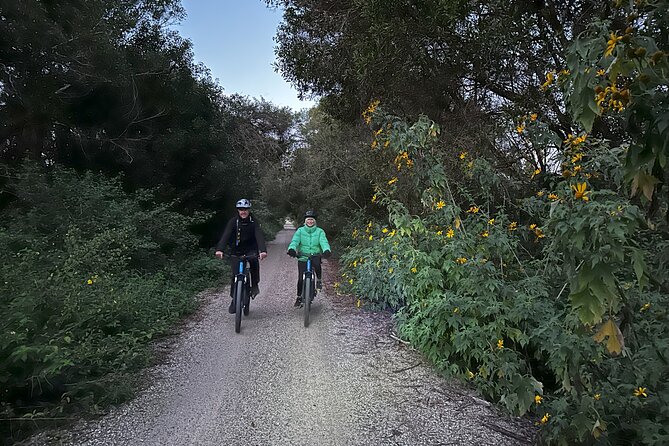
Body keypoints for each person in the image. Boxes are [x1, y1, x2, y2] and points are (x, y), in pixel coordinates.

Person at [215, 198, 268, 314]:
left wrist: (262, 250)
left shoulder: (254, 222)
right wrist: (220, 249)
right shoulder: (233, 222)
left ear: (249, 210)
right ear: (238, 210)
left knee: (254, 267)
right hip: (236, 251)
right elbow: (226, 235)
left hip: (251, 250)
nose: (243, 212)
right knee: (235, 275)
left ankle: (254, 285)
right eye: (241, 210)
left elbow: (259, 235)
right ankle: (235, 299)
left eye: (245, 209)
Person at [286, 210, 331, 307]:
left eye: (312, 220)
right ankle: (299, 296)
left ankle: (318, 280)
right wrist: (292, 249)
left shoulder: (320, 231)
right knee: (300, 279)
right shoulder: (300, 231)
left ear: (314, 221)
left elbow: (324, 242)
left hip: (315, 255)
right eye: (308, 219)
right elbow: (295, 241)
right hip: (303, 256)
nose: (310, 221)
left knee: (318, 266)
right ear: (305, 221)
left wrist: (326, 250)